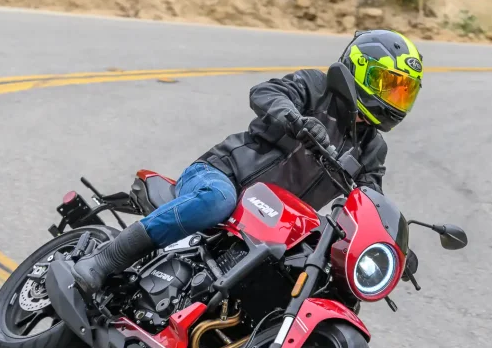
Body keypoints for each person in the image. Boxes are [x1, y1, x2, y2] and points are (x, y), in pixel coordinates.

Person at [72, 29, 422, 295]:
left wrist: (389, 247)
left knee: (312, 269)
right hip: (224, 177)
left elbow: (369, 200)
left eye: (403, 90)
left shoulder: (371, 149)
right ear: (359, 69)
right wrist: (296, 120)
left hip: (275, 222)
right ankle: (106, 258)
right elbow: (266, 92)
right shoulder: (317, 88)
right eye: (388, 84)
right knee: (217, 199)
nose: (395, 97)